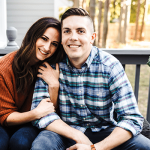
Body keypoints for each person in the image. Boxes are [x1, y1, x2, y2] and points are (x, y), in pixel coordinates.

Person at [31, 8, 150, 150]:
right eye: (67, 31)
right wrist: (78, 135)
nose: (73, 37)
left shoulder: (110, 66)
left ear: (92, 37)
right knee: (41, 146)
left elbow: (131, 118)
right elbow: (41, 115)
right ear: (62, 37)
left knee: (144, 146)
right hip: (64, 132)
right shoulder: (50, 66)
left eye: (80, 31)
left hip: (105, 132)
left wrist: (95, 148)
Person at [0, 17, 64, 150]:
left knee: (21, 142)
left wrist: (54, 85)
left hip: (33, 124)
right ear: (33, 36)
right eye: (44, 39)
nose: (47, 48)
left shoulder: (52, 68)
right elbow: (4, 116)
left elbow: (51, 111)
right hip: (5, 122)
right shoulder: (5, 67)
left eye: (54, 44)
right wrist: (35, 113)